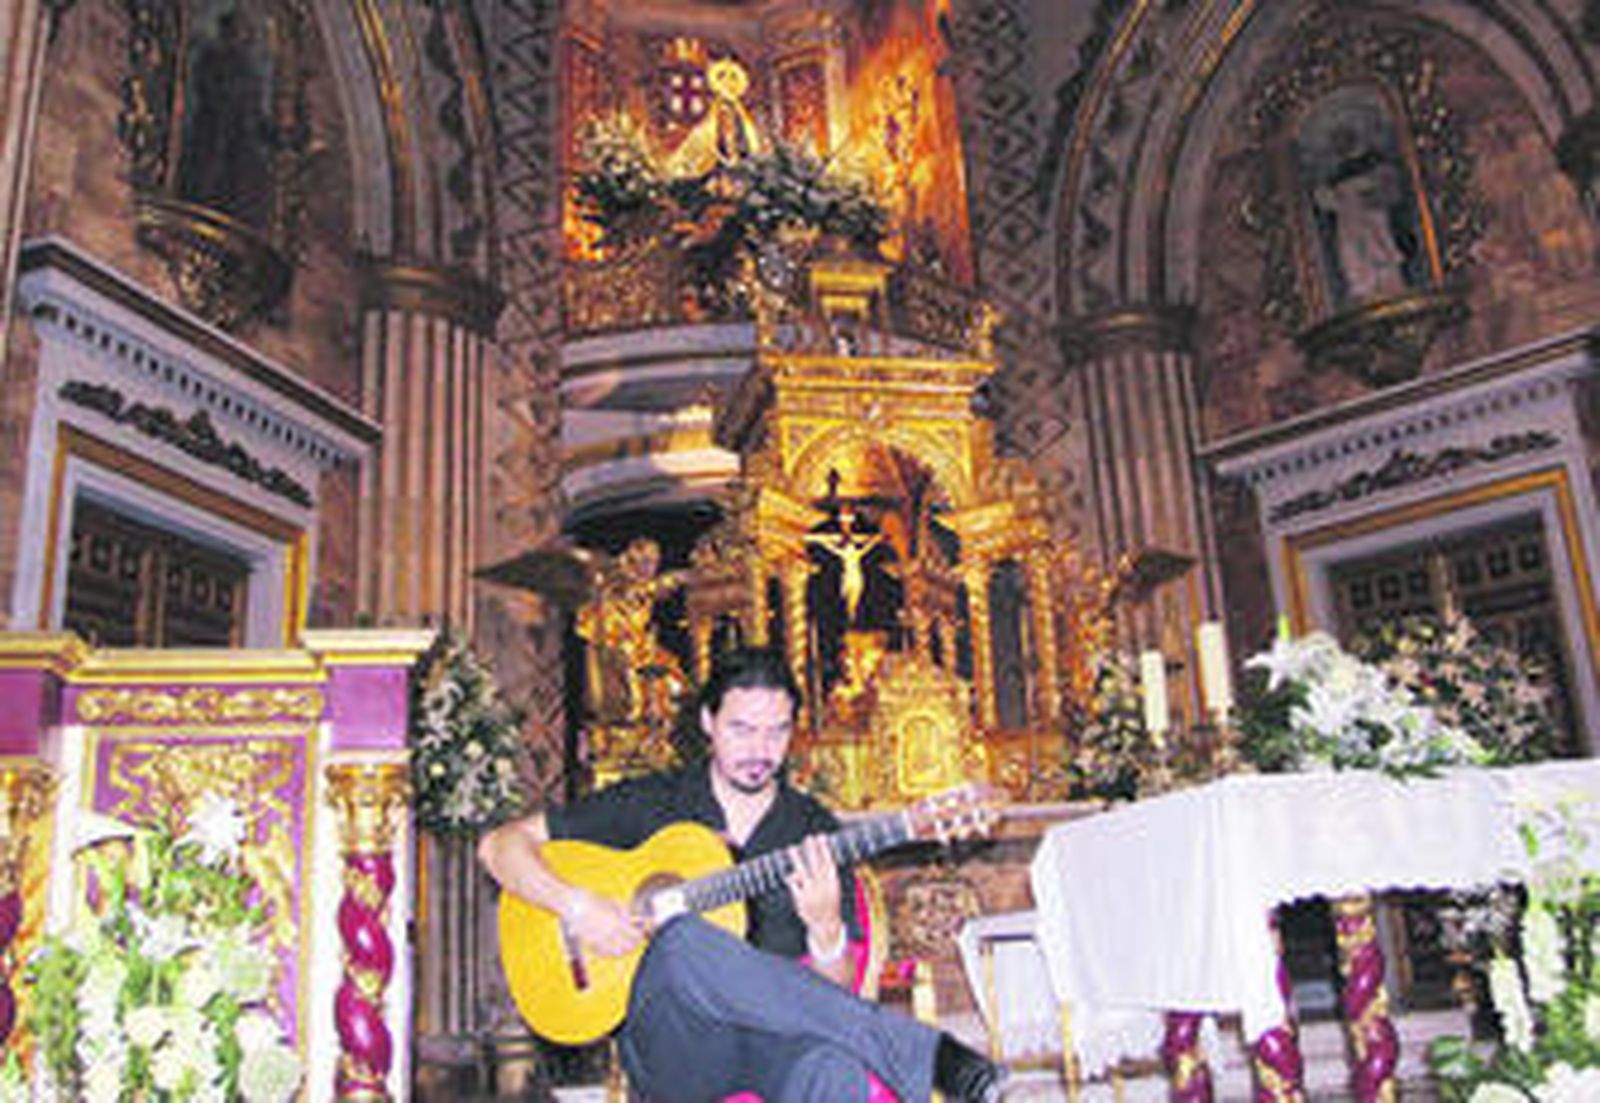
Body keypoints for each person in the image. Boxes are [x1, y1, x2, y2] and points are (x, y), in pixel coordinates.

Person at [479, 646, 1007, 1103]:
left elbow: (836, 990)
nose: (760, 750)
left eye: (777, 731)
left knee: (833, 1070)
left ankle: (914, 1054)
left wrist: (825, 931)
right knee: (684, 938)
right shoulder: (651, 802)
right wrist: (576, 906)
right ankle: (926, 1055)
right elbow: (499, 846)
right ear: (708, 722)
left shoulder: (812, 829)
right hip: (675, 1045)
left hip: (771, 1040)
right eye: (742, 729)